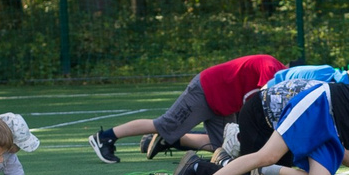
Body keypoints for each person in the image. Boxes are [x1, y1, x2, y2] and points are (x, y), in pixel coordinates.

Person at [188, 65, 349, 175]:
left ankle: (225, 160)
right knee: (253, 170)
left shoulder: (339, 87)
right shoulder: (332, 90)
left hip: (282, 116)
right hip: (262, 111)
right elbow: (339, 148)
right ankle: (197, 168)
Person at [92, 53, 280, 164]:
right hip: (207, 91)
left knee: (222, 148)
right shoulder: (272, 67)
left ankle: (172, 140)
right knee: (164, 123)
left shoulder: (277, 73)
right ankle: (105, 137)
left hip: (224, 105)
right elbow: (263, 103)